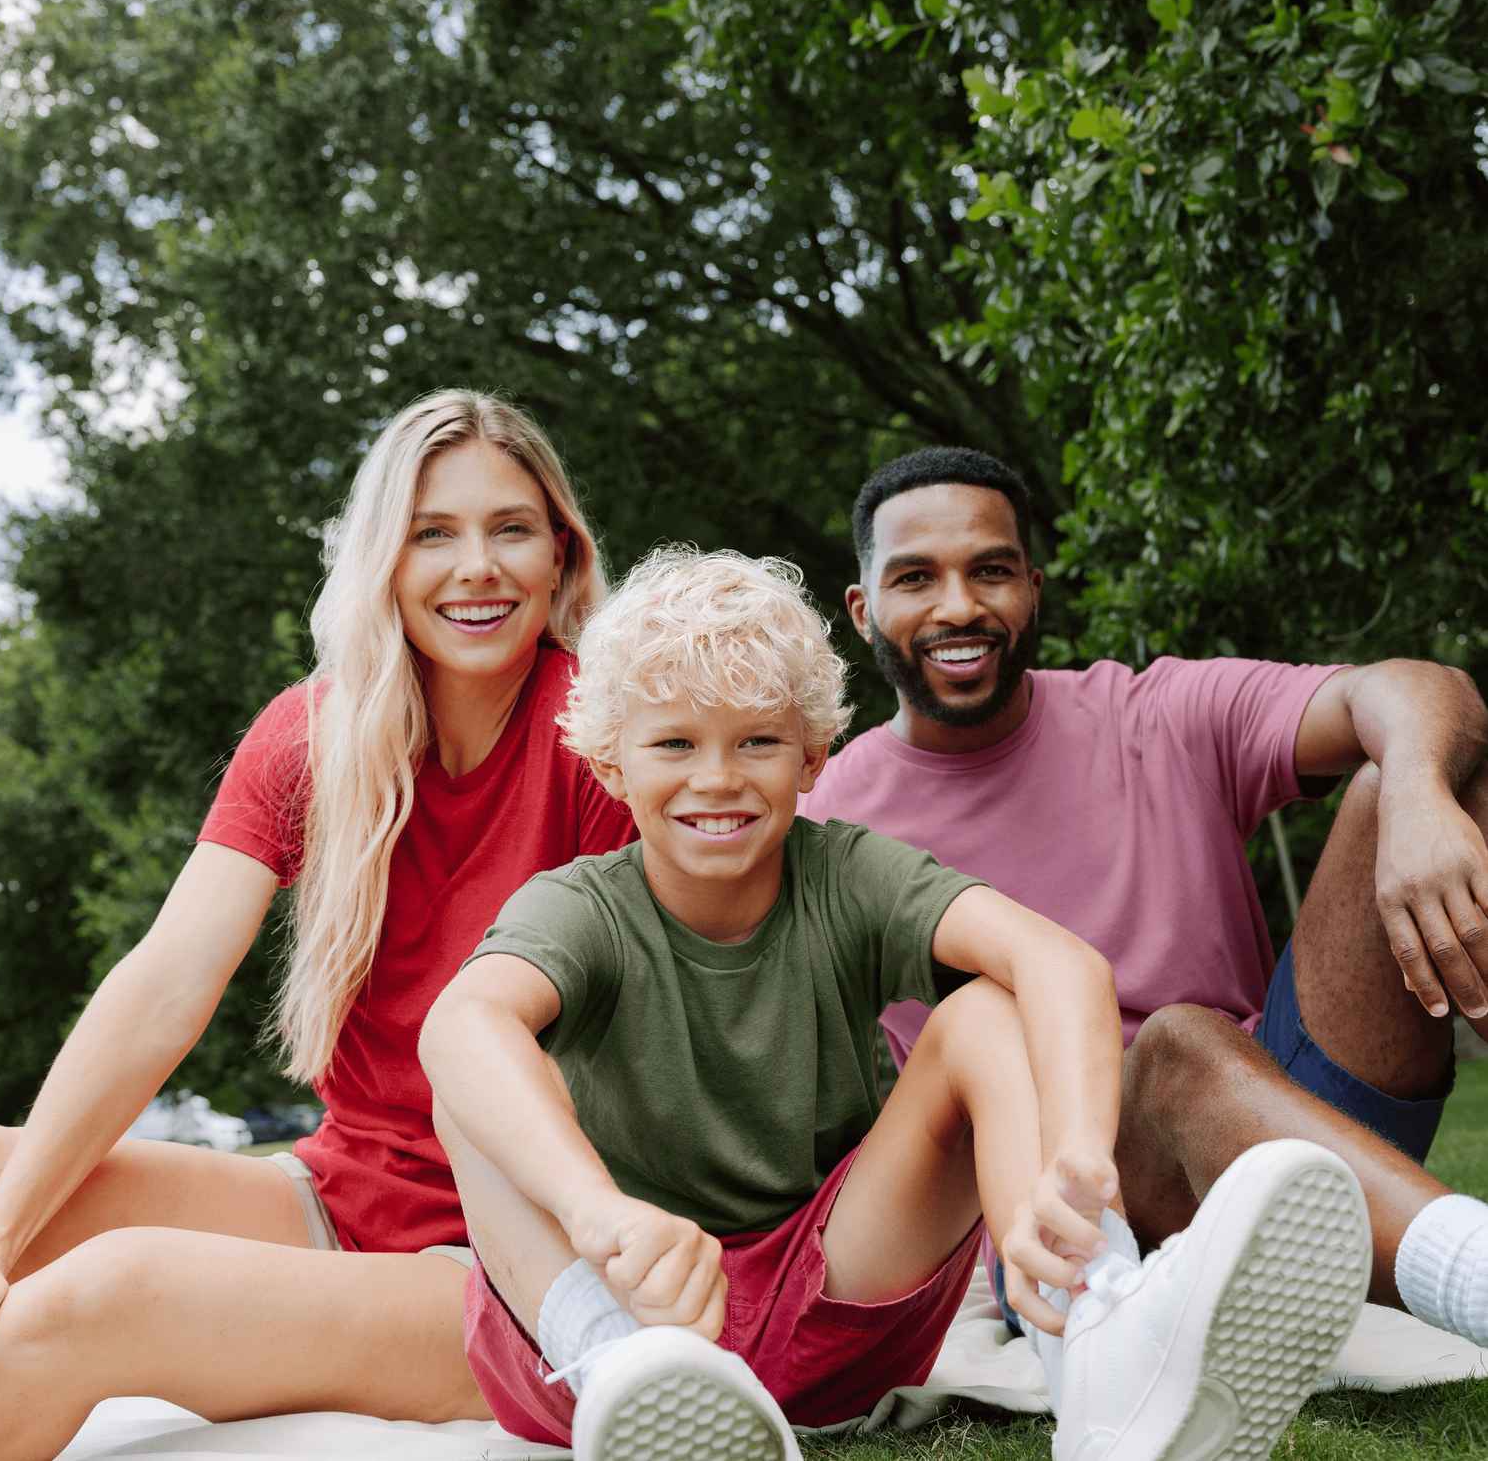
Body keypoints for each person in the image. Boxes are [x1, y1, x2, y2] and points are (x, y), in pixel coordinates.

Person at [419, 545, 1372, 1461]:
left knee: (983, 1013)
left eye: (757, 740)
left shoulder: (845, 875)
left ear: (813, 758)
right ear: (611, 765)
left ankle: (1100, 1343)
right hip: (618, 1323)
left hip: (829, 1308)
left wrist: (1081, 1157)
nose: (717, 776)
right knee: (471, 1053)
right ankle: (623, 1370)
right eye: (676, 742)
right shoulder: (581, 907)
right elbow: (463, 1028)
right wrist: (602, 1219)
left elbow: (1057, 961)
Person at [0, 390, 637, 1460]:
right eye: (434, 533)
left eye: (511, 528)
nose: (476, 565)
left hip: (515, 1266)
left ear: (562, 558)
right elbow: (166, 984)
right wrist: (4, 1233)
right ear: (384, 559)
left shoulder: (608, 743)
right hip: (334, 1200)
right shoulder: (313, 734)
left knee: (101, 1302)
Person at [802, 445, 1488, 1349]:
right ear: (863, 609)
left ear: (1034, 590)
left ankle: (1385, 1243)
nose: (959, 606)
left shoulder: (1154, 712)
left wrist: (1413, 795)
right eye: (917, 578)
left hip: (1300, 1123)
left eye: (992, 571)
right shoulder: (822, 823)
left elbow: (1416, 690)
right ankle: (1469, 1270)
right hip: (1074, 1211)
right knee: (1175, 1048)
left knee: (1434, 769)